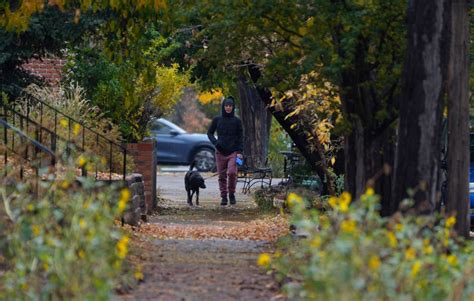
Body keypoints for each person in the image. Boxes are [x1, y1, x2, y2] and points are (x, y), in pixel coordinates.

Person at [207, 96, 243, 206]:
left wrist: (240, 152)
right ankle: (224, 196)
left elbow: (241, 137)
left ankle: (231, 194)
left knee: (232, 173)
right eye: (226, 105)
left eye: (230, 106)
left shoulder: (237, 121)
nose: (228, 107)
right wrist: (215, 143)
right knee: (221, 176)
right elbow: (209, 133)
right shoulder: (217, 120)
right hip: (220, 152)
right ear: (223, 106)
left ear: (233, 107)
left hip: (233, 152)